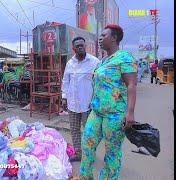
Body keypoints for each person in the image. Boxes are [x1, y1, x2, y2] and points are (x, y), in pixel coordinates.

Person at [79, 24, 137, 179]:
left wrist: (130, 112)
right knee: (87, 144)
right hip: (96, 112)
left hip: (114, 115)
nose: (100, 38)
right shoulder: (103, 60)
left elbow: (131, 84)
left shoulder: (125, 57)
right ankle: (85, 176)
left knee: (112, 152)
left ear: (114, 38)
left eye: (104, 35)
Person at [61, 36, 100, 162]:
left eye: (81, 45)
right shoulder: (70, 63)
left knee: (89, 131)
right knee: (74, 130)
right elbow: (65, 81)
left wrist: (97, 100)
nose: (80, 47)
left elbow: (99, 82)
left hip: (88, 104)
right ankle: (78, 154)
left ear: (85, 46)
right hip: (72, 103)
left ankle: (89, 153)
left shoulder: (94, 62)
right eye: (77, 46)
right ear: (73, 49)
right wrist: (64, 97)